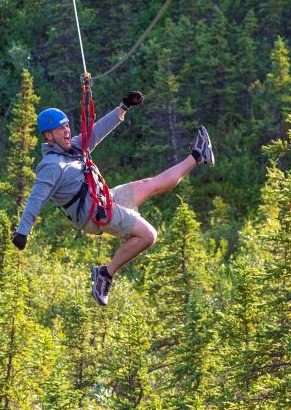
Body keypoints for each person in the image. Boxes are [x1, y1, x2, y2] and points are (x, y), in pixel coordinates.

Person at [11, 91, 214, 305]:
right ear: (48, 136)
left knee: (150, 185)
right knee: (149, 236)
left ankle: (198, 155)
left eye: (67, 126)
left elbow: (97, 130)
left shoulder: (74, 148)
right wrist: (22, 232)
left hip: (106, 198)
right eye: (61, 129)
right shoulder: (50, 166)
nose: (67, 131)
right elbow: (36, 200)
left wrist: (123, 107)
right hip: (97, 215)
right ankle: (105, 274)